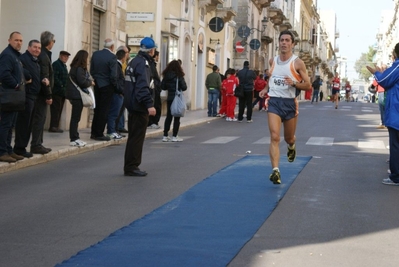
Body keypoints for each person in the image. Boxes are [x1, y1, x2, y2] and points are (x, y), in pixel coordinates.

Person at [259, 30, 311, 185]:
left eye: (287, 40)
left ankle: (291, 145)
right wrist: (265, 89)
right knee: (275, 136)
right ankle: (275, 171)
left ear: (292, 44)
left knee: (289, 137)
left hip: (289, 103)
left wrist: (294, 83)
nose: (284, 43)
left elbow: (307, 85)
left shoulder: (297, 63)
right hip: (274, 101)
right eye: (282, 40)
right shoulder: (272, 61)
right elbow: (272, 77)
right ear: (279, 42)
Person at [366, 43, 399, 186]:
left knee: (396, 144)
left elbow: (384, 80)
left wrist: (376, 72)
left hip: (397, 111)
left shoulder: (397, 66)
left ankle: (396, 176)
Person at [123, 37, 156, 177]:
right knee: (137, 138)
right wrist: (149, 104)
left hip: (132, 105)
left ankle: (130, 165)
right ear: (151, 50)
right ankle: (132, 166)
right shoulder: (143, 64)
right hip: (139, 106)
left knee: (133, 137)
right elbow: (143, 87)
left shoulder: (133, 61)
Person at [13, 39, 42, 158]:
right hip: (26, 95)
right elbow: (19, 70)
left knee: (29, 124)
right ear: (29, 47)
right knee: (23, 123)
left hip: (34, 96)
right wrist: (28, 76)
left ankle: (23, 147)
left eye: (39, 48)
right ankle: (19, 148)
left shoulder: (35, 61)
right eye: (35, 47)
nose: (37, 50)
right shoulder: (23, 58)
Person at [0, 31, 25, 163]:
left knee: (10, 125)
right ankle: (2, 151)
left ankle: (9, 150)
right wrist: (16, 85)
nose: (19, 43)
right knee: (5, 124)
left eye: (21, 40)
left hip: (15, 97)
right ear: (9, 40)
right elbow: (4, 74)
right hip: (9, 95)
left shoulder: (16, 56)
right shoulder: (7, 55)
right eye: (16, 40)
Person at [30, 31, 54, 154]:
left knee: (40, 118)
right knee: (40, 118)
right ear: (50, 42)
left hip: (40, 93)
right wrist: (48, 94)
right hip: (41, 94)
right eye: (53, 41)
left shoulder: (44, 55)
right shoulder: (44, 56)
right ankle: (36, 144)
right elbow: (45, 77)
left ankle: (39, 143)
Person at [90, 38, 118, 141]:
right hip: (107, 85)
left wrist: (96, 79)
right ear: (112, 47)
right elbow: (113, 75)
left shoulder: (96, 54)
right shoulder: (112, 57)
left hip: (97, 84)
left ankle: (93, 132)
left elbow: (92, 70)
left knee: (97, 109)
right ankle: (99, 133)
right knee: (104, 110)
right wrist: (114, 86)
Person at [66, 50, 94, 147]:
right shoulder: (79, 69)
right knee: (75, 118)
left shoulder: (74, 67)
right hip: (77, 96)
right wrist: (90, 83)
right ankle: (74, 138)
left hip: (75, 95)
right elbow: (82, 82)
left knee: (75, 118)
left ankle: (75, 137)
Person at [161, 60, 188, 142]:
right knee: (177, 117)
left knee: (168, 117)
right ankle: (174, 136)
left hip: (169, 98)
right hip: (177, 98)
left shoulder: (166, 75)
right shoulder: (179, 76)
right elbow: (184, 87)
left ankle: (165, 135)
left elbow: (163, 86)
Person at [106, 49, 125, 139]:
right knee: (113, 114)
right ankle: (111, 131)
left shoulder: (117, 65)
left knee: (116, 114)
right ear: (124, 57)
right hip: (117, 93)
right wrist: (121, 90)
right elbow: (115, 80)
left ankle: (114, 130)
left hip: (118, 93)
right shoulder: (117, 66)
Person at [49, 50, 70, 132]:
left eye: (67, 57)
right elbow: (55, 77)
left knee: (59, 109)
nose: (66, 58)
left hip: (63, 92)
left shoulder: (64, 66)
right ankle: (53, 126)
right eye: (65, 56)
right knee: (55, 110)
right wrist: (61, 85)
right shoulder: (56, 64)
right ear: (60, 56)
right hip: (57, 91)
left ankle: (56, 126)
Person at [147, 50, 162, 129]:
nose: (158, 58)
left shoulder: (153, 64)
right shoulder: (151, 64)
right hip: (153, 89)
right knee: (155, 105)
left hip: (154, 88)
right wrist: (157, 87)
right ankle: (151, 122)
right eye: (158, 56)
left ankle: (153, 122)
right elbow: (153, 77)